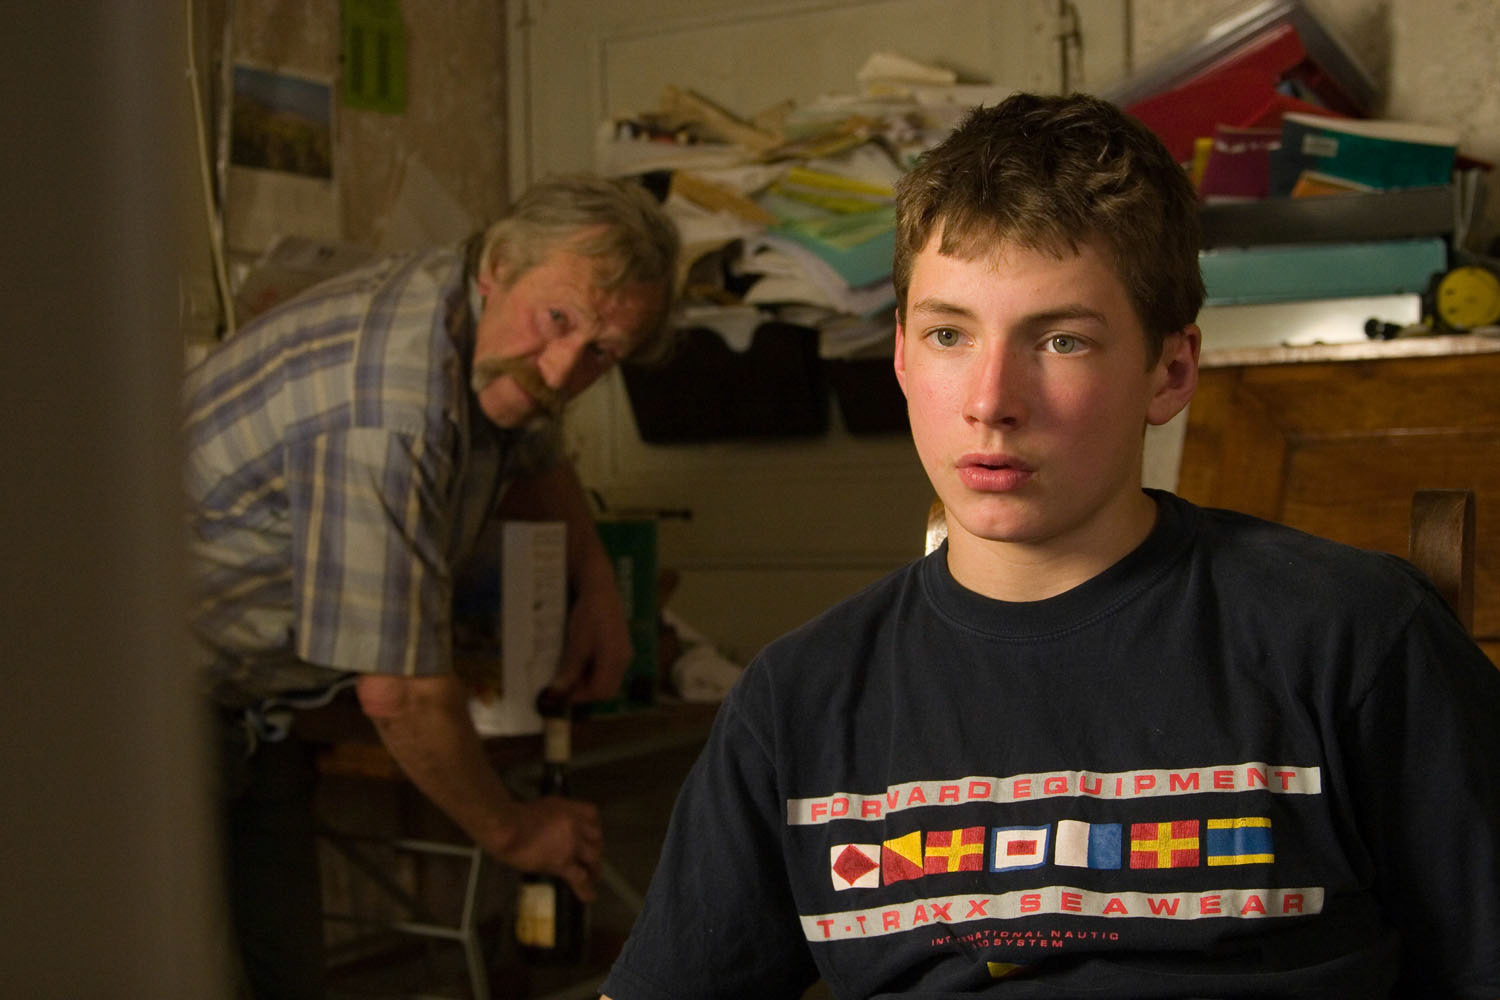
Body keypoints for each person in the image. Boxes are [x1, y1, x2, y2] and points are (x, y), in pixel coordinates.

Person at [599, 94, 1500, 999]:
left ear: (1170, 370)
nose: (991, 401)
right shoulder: (799, 703)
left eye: (1061, 339)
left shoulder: (1353, 639)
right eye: (949, 334)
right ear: (902, 358)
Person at [183, 173, 679, 999]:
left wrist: (596, 582)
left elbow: (534, 446)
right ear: (499, 267)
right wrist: (516, 833)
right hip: (137, 695)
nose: (563, 369)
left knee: (286, 977)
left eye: (603, 353)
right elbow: (401, 695)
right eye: (558, 322)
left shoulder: (482, 319)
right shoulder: (390, 404)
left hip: (253, 704)